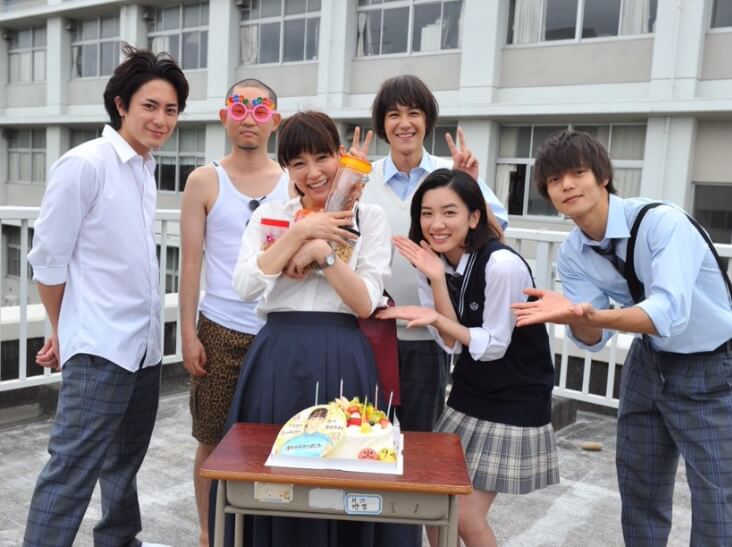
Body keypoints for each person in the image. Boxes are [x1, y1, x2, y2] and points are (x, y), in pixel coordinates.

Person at [512, 129, 732, 547]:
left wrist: (592, 314)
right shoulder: (574, 252)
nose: (568, 185)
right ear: (548, 193)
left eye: (578, 173)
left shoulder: (662, 223)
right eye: (555, 180)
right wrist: (574, 316)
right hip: (648, 361)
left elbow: (668, 312)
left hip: (711, 365)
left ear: (603, 177)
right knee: (639, 487)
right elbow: (592, 336)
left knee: (717, 497)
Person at [23, 46, 188, 547]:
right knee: (72, 467)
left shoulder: (144, 167)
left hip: (142, 347)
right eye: (150, 106)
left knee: (124, 463)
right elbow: (48, 261)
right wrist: (62, 330)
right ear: (121, 105)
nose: (161, 119)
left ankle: (118, 541)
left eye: (171, 110)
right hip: (99, 347)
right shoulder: (84, 164)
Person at [215, 110, 391, 546]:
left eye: (321, 157)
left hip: (343, 353)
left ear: (340, 155)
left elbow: (364, 301)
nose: (312, 172)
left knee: (341, 470)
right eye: (298, 163)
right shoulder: (271, 215)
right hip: (279, 354)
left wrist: (322, 254)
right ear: (287, 170)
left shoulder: (369, 217)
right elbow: (243, 286)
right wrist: (299, 235)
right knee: (271, 472)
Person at [378, 168, 558, 547]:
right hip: (470, 392)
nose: (436, 224)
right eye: (427, 213)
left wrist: (436, 317)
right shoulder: (433, 264)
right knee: (432, 506)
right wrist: (436, 280)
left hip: (514, 399)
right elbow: (452, 342)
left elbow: (493, 345)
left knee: (464, 517)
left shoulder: (501, 264)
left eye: (449, 212)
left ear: (474, 217)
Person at [359, 74, 509, 438]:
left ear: (427, 120)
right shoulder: (363, 177)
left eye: (414, 113)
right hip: (368, 332)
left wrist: (471, 184)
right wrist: (345, 182)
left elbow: (495, 234)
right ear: (382, 123)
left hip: (430, 333)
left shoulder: (452, 173)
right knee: (364, 434)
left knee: (421, 440)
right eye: (394, 115)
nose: (404, 123)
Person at [179, 78, 289, 547]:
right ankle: (209, 534)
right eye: (239, 109)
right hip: (220, 326)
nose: (249, 119)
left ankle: (263, 532)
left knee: (276, 438)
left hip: (277, 328)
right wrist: (188, 334)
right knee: (211, 436)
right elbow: (190, 264)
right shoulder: (204, 180)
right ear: (224, 117)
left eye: (260, 110)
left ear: (274, 121)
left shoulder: (291, 180)